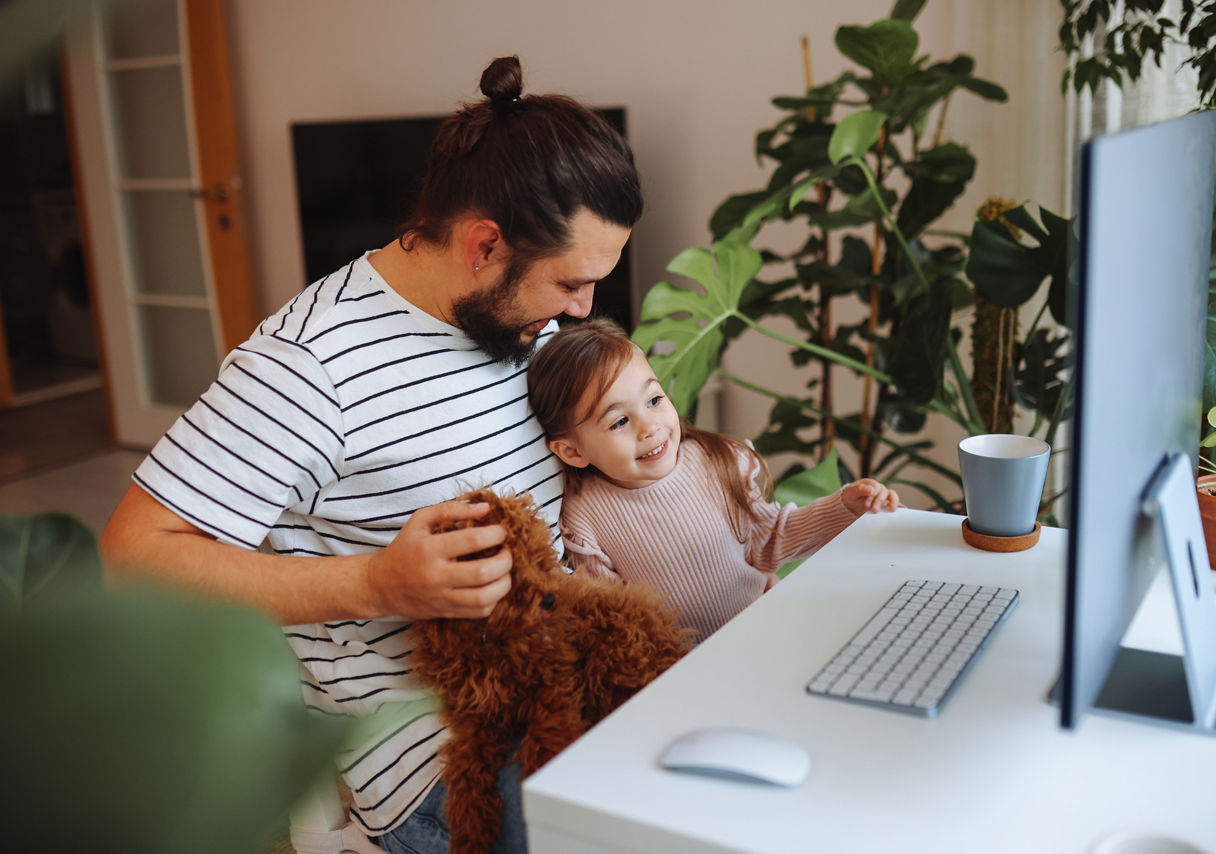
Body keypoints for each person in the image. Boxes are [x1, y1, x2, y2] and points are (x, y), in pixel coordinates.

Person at [98, 56, 642, 854]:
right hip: (440, 758)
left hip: (562, 668)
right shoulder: (306, 366)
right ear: (485, 245)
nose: (584, 309)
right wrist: (373, 581)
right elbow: (132, 560)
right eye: (570, 283)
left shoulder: (527, 325)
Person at [525, 318, 901, 643]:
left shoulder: (715, 463)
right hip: (681, 668)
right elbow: (614, 619)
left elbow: (770, 539)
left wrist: (844, 506)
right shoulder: (586, 518)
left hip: (766, 625)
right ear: (573, 452)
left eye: (654, 400)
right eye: (620, 421)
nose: (650, 426)